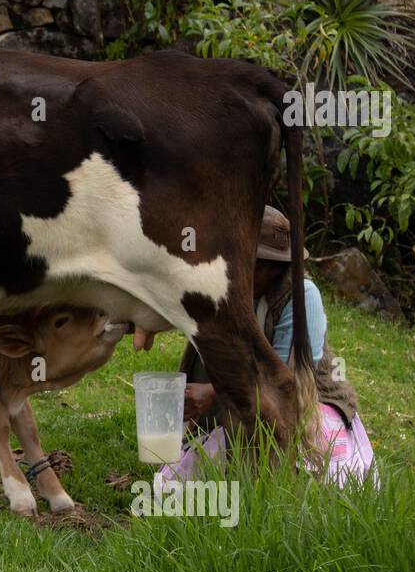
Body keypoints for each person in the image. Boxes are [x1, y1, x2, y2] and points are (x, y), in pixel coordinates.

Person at [154, 206, 379, 491]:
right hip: (238, 403)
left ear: (275, 267)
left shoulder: (302, 296)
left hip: (301, 404)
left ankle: (269, 484)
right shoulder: (228, 290)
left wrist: (213, 393)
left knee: (272, 455)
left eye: (258, 265)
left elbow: (285, 383)